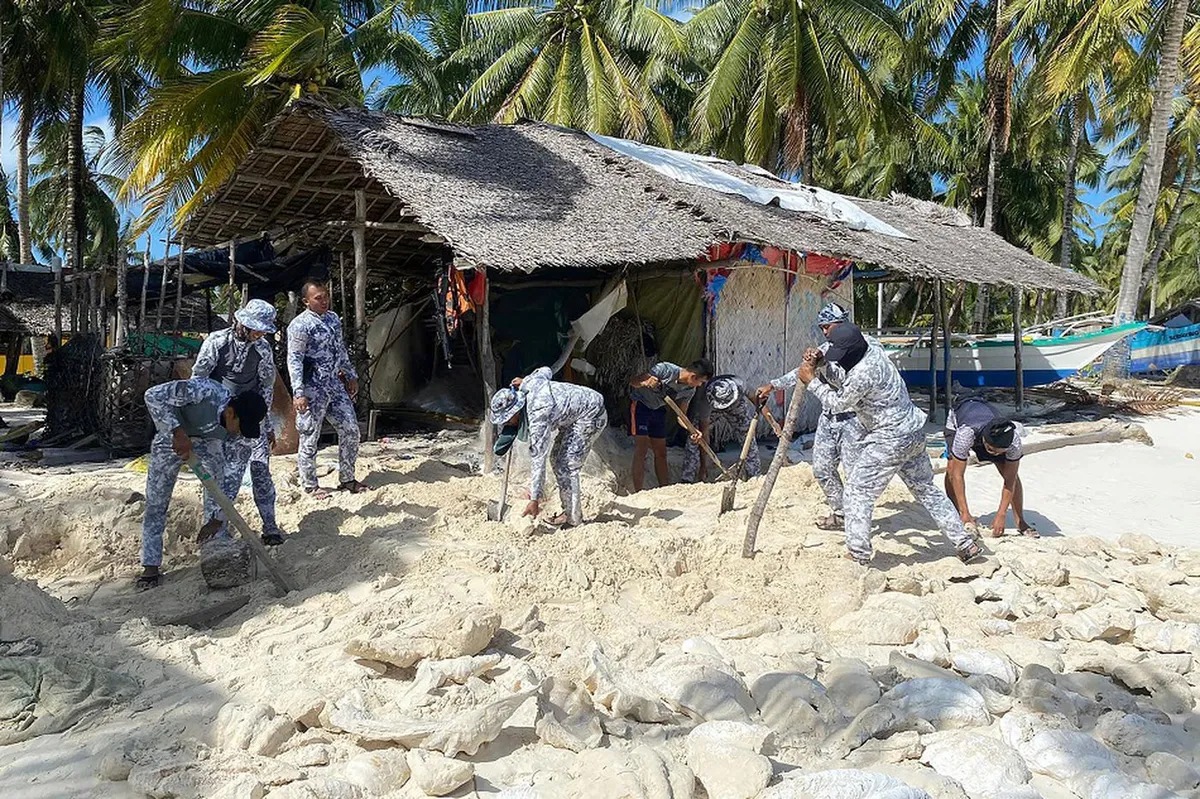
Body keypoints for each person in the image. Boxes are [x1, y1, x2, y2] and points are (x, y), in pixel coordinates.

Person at [797, 323, 983, 565]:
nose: (838, 361)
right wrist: (822, 360)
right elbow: (840, 366)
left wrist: (812, 381)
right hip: (913, 431)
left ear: (852, 353)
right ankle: (965, 544)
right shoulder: (873, 350)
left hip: (890, 438)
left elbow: (838, 403)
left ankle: (858, 553)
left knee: (857, 492)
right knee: (926, 489)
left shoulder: (863, 374)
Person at [138, 378, 269, 590]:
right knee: (156, 501)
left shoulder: (237, 437)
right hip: (170, 439)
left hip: (208, 443)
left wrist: (219, 517)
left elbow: (232, 478)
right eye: (239, 425)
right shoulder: (204, 392)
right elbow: (152, 395)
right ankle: (150, 565)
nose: (238, 432)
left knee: (216, 492)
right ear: (230, 413)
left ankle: (216, 554)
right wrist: (177, 432)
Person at [756, 302, 865, 529]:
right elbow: (803, 373)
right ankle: (842, 514)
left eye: (828, 326)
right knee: (822, 469)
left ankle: (858, 523)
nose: (825, 332)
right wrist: (773, 385)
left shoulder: (865, 348)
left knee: (855, 474)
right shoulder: (827, 348)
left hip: (855, 418)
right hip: (830, 417)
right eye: (822, 328)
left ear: (842, 324)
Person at [191, 299, 284, 546]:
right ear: (241, 322)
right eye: (256, 327)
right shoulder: (216, 342)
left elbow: (266, 386)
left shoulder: (263, 349)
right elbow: (198, 380)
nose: (259, 333)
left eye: (263, 329)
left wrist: (265, 424)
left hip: (251, 417)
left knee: (260, 469)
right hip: (220, 417)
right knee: (219, 475)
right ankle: (218, 531)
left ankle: (270, 525)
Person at [489, 366, 607, 527]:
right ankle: (568, 510)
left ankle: (573, 520)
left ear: (515, 412)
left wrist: (534, 499)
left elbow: (538, 458)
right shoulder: (528, 386)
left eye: (508, 420)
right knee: (556, 460)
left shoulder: (538, 415)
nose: (507, 423)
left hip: (591, 414)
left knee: (567, 466)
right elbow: (545, 371)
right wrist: (525, 381)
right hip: (572, 417)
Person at [287, 280, 365, 498]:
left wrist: (350, 375)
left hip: (334, 385)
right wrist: (298, 392)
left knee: (351, 429)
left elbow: (340, 350)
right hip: (312, 388)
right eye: (318, 298)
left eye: (325, 296)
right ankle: (311, 485)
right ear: (306, 301)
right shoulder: (299, 325)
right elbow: (294, 359)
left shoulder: (332, 319)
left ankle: (347, 478)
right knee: (310, 435)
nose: (324, 301)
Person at [943, 396, 1036, 538]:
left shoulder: (1014, 442)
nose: (993, 454)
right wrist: (966, 513)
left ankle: (1021, 522)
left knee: (1010, 474)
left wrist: (1002, 514)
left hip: (988, 426)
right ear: (984, 441)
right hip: (959, 418)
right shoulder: (965, 434)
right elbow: (957, 475)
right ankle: (959, 513)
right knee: (951, 468)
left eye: (998, 452)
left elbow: (1010, 480)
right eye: (991, 450)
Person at [628, 359, 713, 491]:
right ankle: (638, 492)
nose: (700, 385)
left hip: (659, 410)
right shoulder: (665, 369)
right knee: (642, 448)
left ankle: (665, 489)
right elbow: (633, 382)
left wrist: (692, 430)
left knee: (661, 452)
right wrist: (645, 381)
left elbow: (681, 415)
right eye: (701, 382)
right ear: (693, 377)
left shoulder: (689, 390)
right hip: (641, 406)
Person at [683, 375, 760, 483]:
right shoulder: (707, 400)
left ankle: (753, 475)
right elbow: (703, 433)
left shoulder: (740, 384)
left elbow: (758, 401)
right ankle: (688, 477)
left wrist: (772, 422)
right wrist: (703, 466)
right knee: (695, 436)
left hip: (736, 405)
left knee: (748, 437)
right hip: (713, 408)